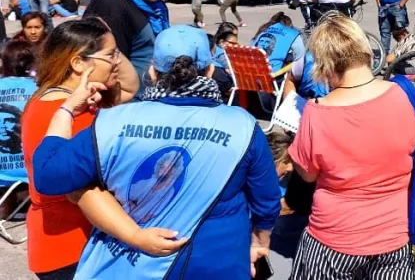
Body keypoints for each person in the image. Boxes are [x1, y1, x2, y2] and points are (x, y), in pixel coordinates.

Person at [30, 24, 281, 279]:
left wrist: (67, 109)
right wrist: (259, 243)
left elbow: (47, 176)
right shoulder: (242, 124)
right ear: (210, 70)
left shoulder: (112, 122)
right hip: (218, 263)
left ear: (152, 71)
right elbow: (267, 200)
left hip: (137, 265)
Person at [22, 18, 179, 280]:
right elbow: (82, 192)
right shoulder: (72, 115)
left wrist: (106, 37)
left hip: (58, 242)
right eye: (111, 55)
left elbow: (129, 87)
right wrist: (136, 236)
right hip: (73, 245)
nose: (118, 61)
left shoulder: (52, 98)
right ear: (78, 62)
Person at [288, 15, 415, 279]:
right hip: (397, 234)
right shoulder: (402, 95)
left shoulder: (317, 112)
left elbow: (308, 174)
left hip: (334, 238)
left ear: (325, 62)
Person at [85, 0, 174, 92]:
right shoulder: (110, 8)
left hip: (149, 97)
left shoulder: (148, 5)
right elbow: (107, 69)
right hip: (129, 104)